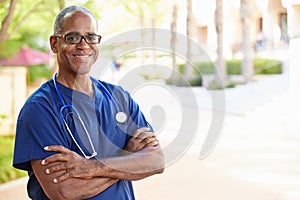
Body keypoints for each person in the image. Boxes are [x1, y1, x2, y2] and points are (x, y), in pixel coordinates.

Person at [13, 5, 164, 200]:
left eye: (91, 37)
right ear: (54, 44)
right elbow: (64, 191)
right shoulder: (40, 109)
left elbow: (156, 160)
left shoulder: (118, 97)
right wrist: (126, 158)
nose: (83, 45)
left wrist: (89, 167)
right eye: (72, 37)